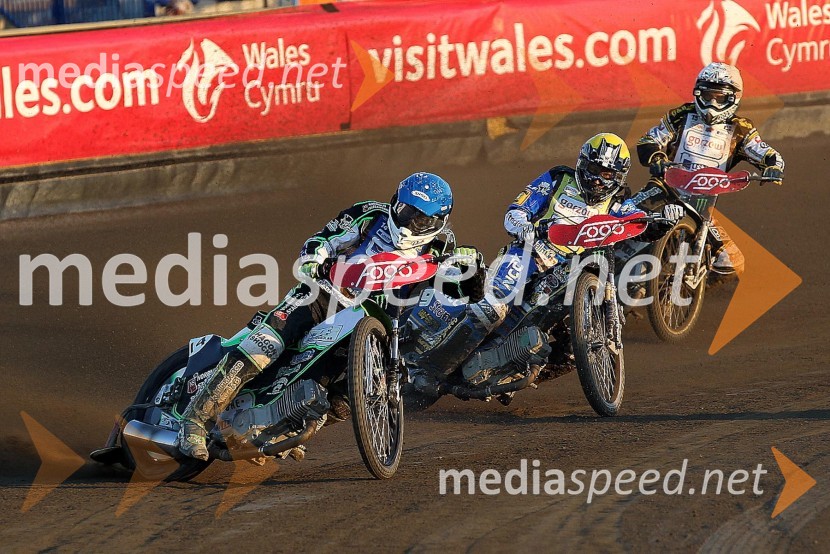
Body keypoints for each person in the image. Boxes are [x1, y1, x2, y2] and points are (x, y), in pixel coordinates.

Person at [177, 172, 469, 460]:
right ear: (394, 203)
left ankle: (282, 425)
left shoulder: (444, 246)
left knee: (348, 396)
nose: (407, 223)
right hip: (323, 295)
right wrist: (315, 261)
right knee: (265, 345)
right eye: (404, 211)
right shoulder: (369, 213)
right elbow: (322, 239)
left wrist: (470, 277)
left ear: (437, 222)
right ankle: (194, 421)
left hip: (372, 323)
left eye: (419, 219)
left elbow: (453, 284)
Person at [408, 133, 683, 386]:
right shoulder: (558, 179)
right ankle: (435, 368)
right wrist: (525, 227)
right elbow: (515, 211)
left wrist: (663, 220)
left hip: (575, 273)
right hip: (529, 256)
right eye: (594, 170)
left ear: (619, 176)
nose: (598, 179)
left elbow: (637, 222)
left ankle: (515, 371)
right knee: (492, 306)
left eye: (607, 173)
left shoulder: (619, 202)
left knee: (573, 354)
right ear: (582, 164)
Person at [635, 62, 785, 274]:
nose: (712, 103)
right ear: (697, 93)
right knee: (628, 215)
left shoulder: (741, 129)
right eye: (707, 96)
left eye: (719, 97)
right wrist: (657, 157)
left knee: (731, 262)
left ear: (733, 98)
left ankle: (699, 282)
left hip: (703, 201)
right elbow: (648, 140)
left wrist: (773, 167)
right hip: (664, 188)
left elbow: (767, 153)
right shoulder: (680, 115)